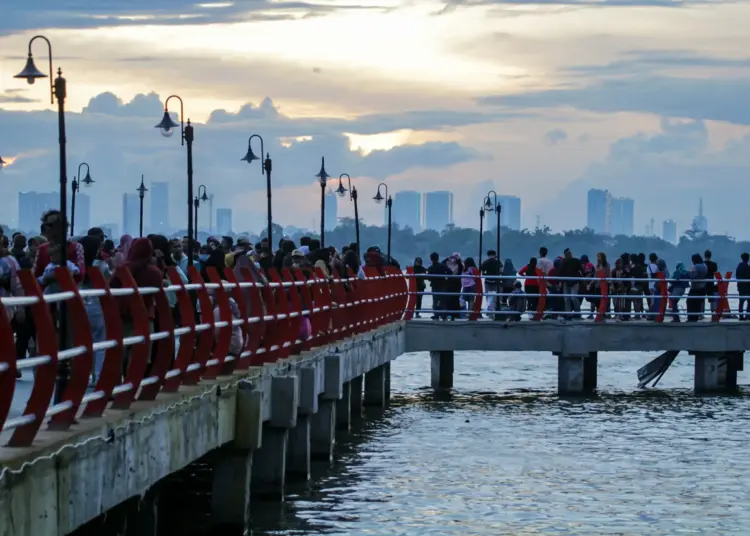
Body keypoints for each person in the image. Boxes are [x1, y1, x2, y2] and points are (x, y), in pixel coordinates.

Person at [560, 248, 583, 318]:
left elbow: (582, 270)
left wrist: (580, 277)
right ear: (565, 255)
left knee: (573, 297)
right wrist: (560, 282)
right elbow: (561, 272)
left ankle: (577, 313)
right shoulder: (563, 262)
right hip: (566, 282)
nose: (569, 255)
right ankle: (568, 314)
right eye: (567, 254)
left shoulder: (576, 261)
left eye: (569, 253)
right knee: (566, 299)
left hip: (575, 282)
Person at [427, 252, 450, 320]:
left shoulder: (430, 268)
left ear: (431, 259)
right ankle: (443, 315)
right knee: (442, 300)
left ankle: (436, 315)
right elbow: (450, 272)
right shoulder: (443, 266)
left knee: (435, 300)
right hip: (443, 285)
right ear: (438, 258)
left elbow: (429, 278)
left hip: (434, 286)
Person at [687, 253, 708, 322]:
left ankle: (690, 318)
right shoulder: (705, 266)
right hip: (703, 288)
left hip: (695, 287)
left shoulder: (695, 266)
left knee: (690, 302)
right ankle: (695, 317)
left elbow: (693, 276)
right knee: (698, 303)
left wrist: (688, 273)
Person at [737, 253, 750, 321]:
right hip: (747, 287)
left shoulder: (739, 266)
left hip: (740, 287)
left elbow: (737, 276)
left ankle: (741, 316)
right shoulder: (748, 267)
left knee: (741, 302)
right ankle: (747, 315)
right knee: (749, 301)